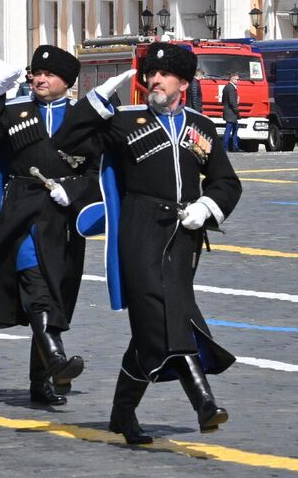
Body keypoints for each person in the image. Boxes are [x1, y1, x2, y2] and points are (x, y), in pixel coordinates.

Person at [85, 42, 242, 446]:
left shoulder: (200, 127)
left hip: (184, 234)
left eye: (163, 75)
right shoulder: (125, 122)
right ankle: (203, 401)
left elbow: (226, 182)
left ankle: (122, 413)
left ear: (182, 83)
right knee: (165, 310)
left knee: (155, 324)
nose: (153, 80)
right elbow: (71, 141)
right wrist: (98, 100)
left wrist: (206, 207)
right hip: (140, 228)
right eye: (150, 74)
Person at [0, 45, 119, 407]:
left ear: (67, 82)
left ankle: (40, 383)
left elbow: (98, 173)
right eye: (36, 73)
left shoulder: (84, 119)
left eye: (49, 74)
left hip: (65, 220)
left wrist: (72, 191)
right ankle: (56, 358)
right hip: (24, 213)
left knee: (58, 294)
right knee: (35, 284)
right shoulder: (14, 113)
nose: (39, 79)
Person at [219, 73, 240, 151]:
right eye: (237, 79)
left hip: (228, 112)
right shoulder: (231, 88)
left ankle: (235, 146)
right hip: (231, 112)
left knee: (234, 129)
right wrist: (236, 110)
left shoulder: (226, 87)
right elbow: (232, 101)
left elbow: (223, 101)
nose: (238, 81)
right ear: (232, 79)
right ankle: (226, 147)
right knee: (228, 130)